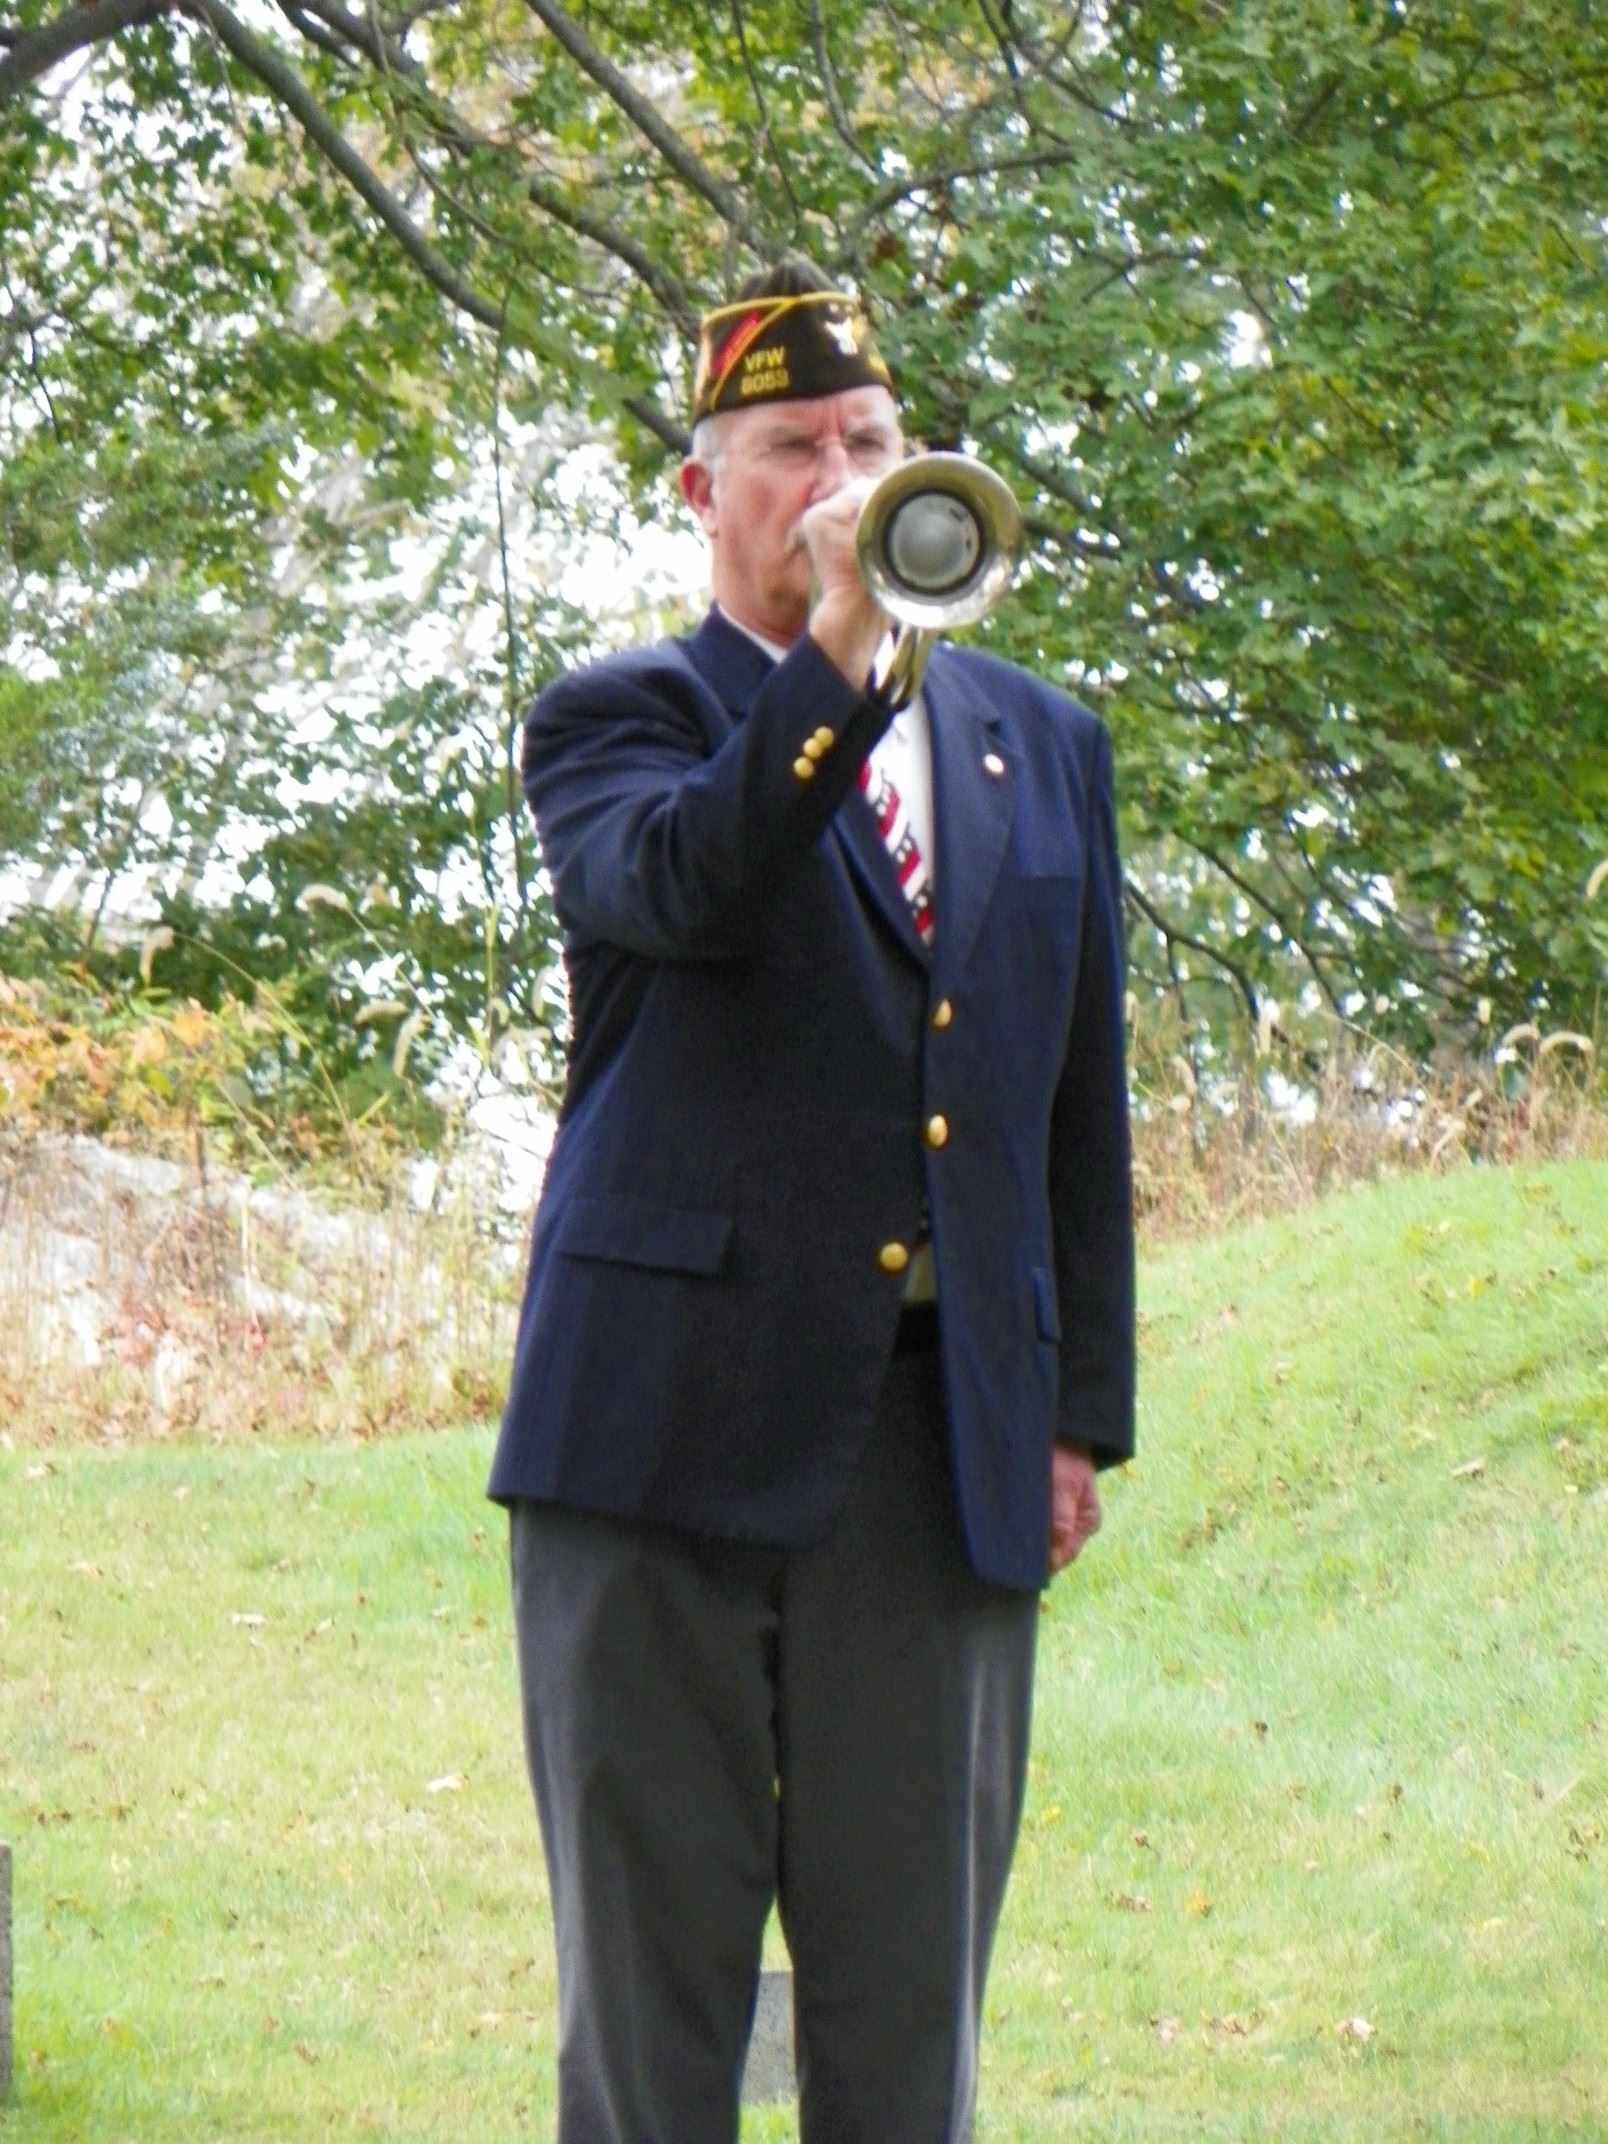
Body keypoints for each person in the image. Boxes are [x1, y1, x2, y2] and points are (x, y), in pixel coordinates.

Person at [488, 257, 1134, 2143]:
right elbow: (694, 884)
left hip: (937, 1456)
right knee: (655, 2035)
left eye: (868, 439)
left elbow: (1069, 1100)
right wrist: (842, 649)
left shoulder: (1045, 744)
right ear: (706, 491)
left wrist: (1074, 1412)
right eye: (789, 448)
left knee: (902, 2039)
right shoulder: (618, 720)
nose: (837, 474)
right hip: (655, 1452)